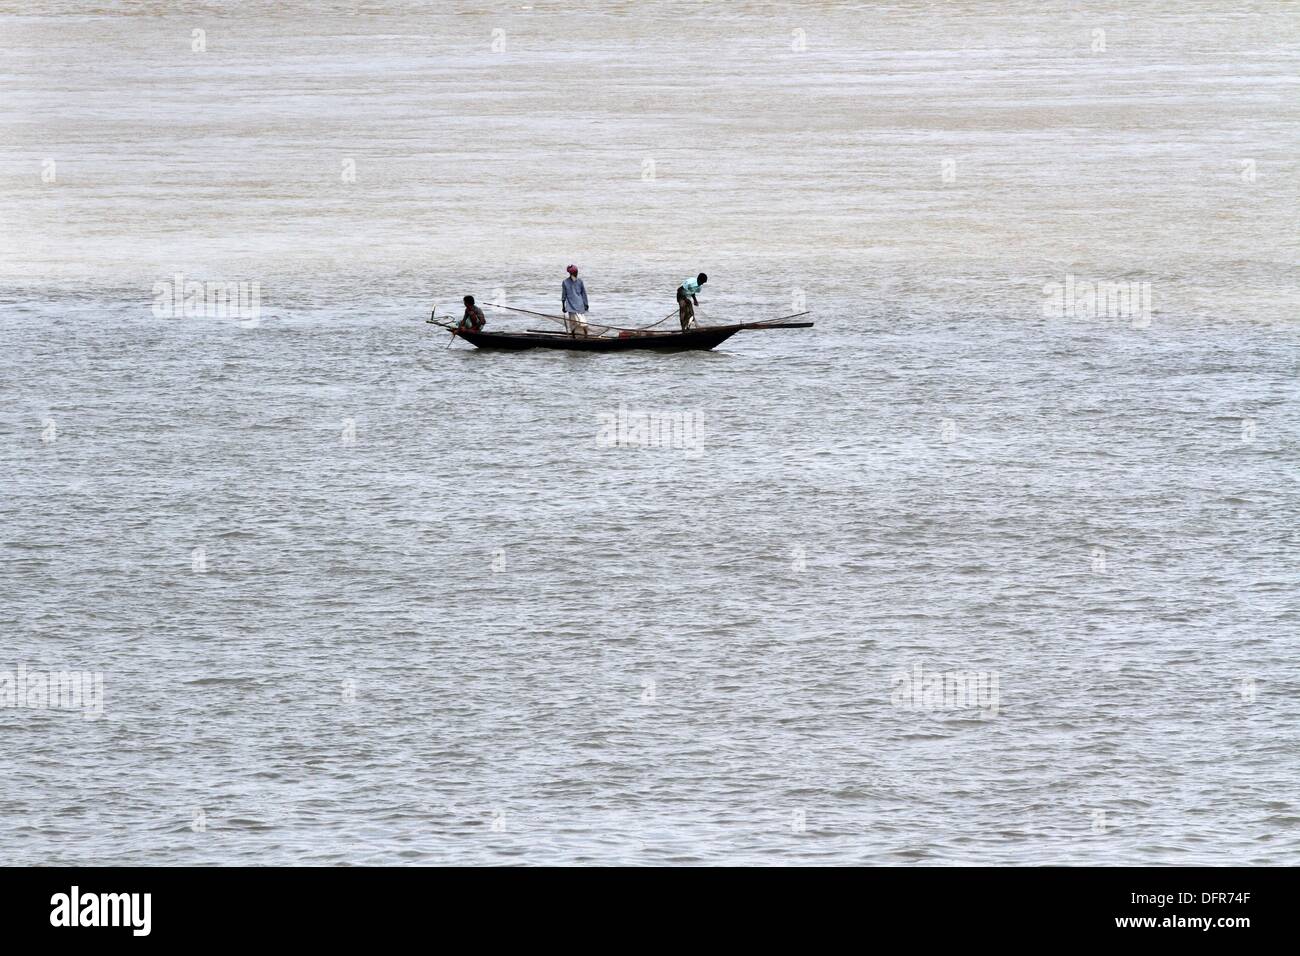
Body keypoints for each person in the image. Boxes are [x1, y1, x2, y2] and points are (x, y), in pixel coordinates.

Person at [561, 264, 590, 336]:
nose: (576, 274)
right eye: (575, 273)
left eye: (577, 272)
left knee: (583, 323)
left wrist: (586, 304)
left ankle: (586, 336)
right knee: (573, 323)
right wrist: (563, 306)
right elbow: (563, 295)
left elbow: (584, 294)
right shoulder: (565, 282)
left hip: (580, 306)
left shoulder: (580, 281)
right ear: (571, 273)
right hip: (570, 306)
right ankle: (573, 337)